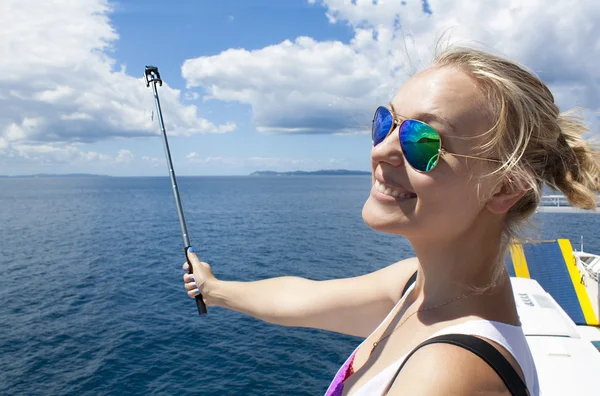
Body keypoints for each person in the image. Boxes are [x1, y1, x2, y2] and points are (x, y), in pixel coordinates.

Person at [182, 46, 600, 395]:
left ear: (505, 187)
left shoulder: (445, 376)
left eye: (423, 141)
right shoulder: (419, 286)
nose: (382, 150)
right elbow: (302, 298)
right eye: (386, 122)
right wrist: (215, 289)